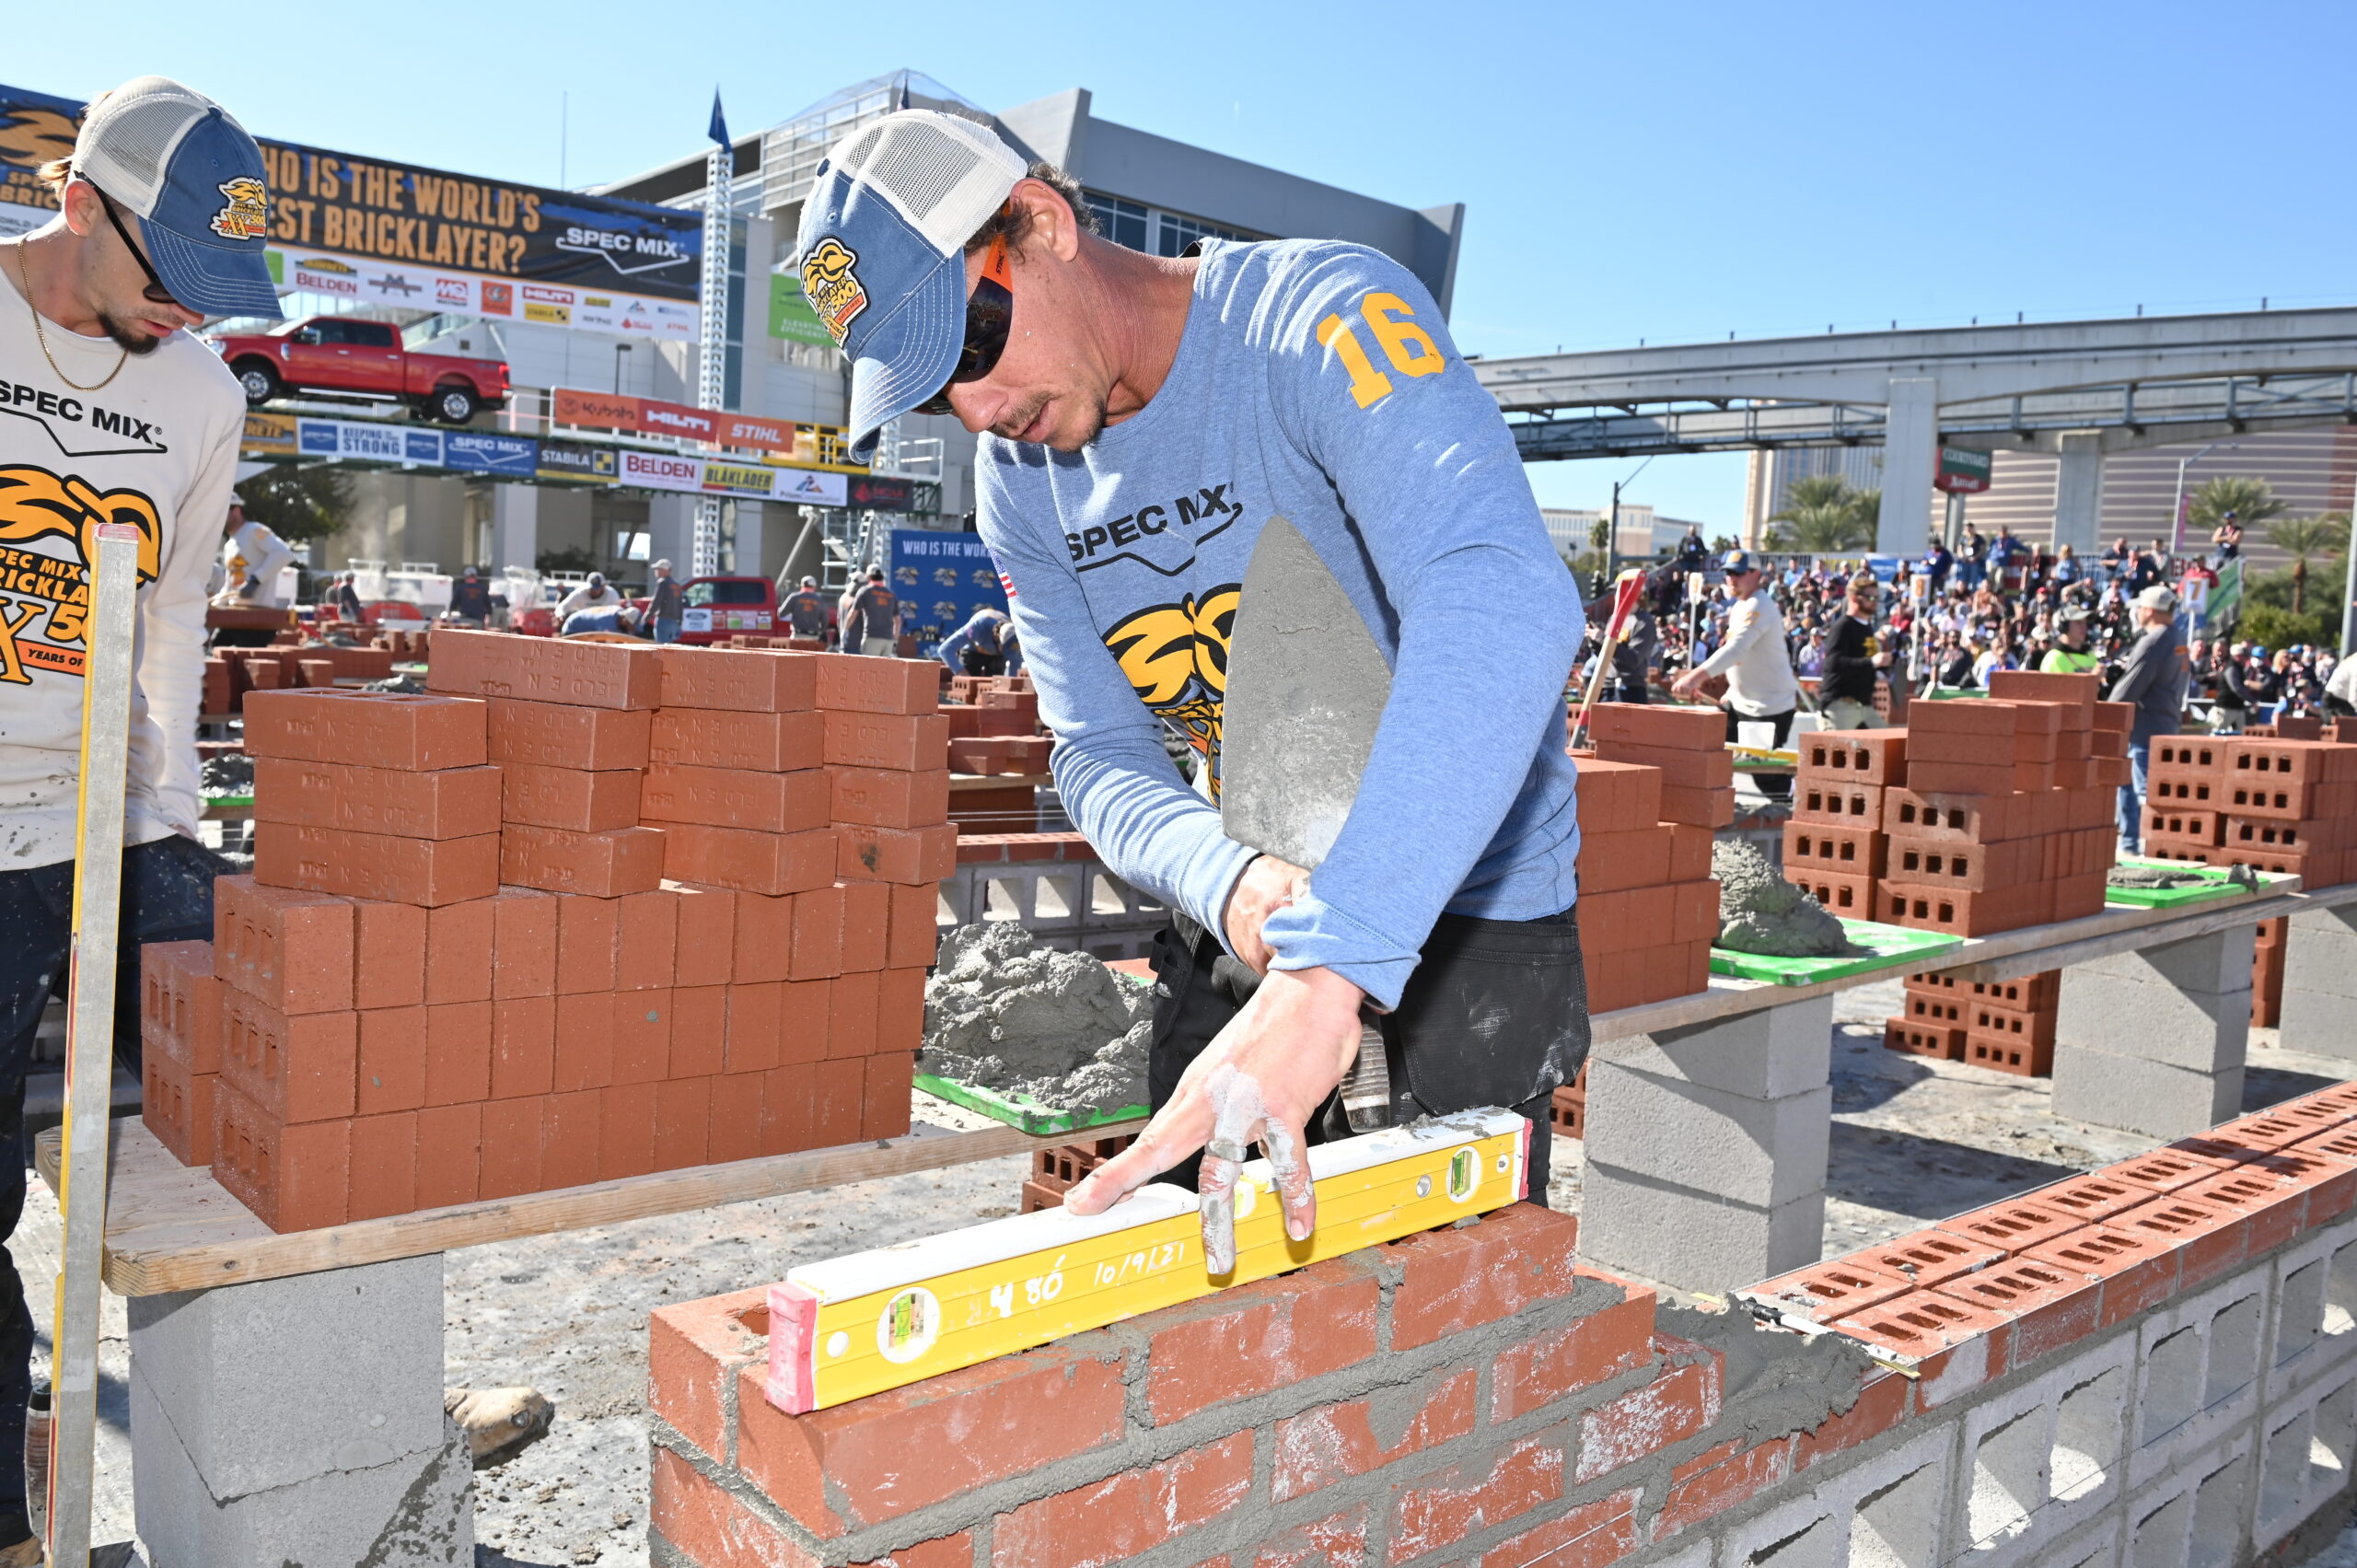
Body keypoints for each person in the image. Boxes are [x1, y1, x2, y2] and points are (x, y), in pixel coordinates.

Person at [792, 109, 1587, 1257]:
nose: (976, 408)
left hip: (1470, 896)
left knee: (1450, 1303)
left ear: (1045, 226)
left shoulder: (1319, 317)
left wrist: (1336, 964)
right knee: (1198, 1282)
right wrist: (1232, 884)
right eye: (930, 393)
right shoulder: (1020, 478)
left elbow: (1498, 594)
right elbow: (1098, 757)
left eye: (969, 345)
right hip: (1254, 893)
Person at [0, 75, 281, 1564]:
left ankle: (316, 1417)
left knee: (256, 1124)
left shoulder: (203, 392)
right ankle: (11, 1514)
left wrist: (166, 826)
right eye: (167, 280)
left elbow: (171, 622)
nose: (191, 315)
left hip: (113, 803)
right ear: (79, 204)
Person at [1671, 550, 1800, 796]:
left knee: (1766, 777)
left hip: (1769, 707)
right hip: (1741, 703)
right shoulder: (1741, 606)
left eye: (1738, 573)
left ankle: (1794, 809)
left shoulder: (1759, 604)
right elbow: (1742, 657)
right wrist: (1731, 691)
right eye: (1728, 573)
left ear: (1756, 575)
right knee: (1710, 751)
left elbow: (1737, 650)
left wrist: (1695, 677)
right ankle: (1717, 809)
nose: (1731, 578)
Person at [2109, 585, 2190, 854]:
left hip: (2145, 730)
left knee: (2146, 793)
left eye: (2141, 607)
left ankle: (2146, 849)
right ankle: (2131, 844)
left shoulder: (2154, 640)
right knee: (2131, 788)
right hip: (2166, 723)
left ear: (2150, 610)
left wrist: (2104, 714)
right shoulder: (2178, 638)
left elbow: (2129, 689)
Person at [1817, 575, 1888, 730]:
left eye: (1877, 597)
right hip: (1840, 705)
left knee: (1888, 747)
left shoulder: (1867, 627)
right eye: (1871, 597)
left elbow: (1864, 664)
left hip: (1864, 706)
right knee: (1840, 753)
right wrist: (1872, 662)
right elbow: (1833, 663)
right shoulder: (1842, 626)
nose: (1875, 601)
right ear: (1855, 599)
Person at [219, 499, 296, 607]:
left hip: (259, 611)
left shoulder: (254, 530)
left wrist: (255, 580)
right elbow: (229, 584)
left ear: (236, 511)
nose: (218, 517)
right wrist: (215, 602)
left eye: (222, 512)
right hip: (235, 610)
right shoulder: (229, 545)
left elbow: (284, 554)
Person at [937, 604, 1020, 677]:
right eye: (1004, 649)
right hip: (973, 651)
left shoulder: (1014, 633)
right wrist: (960, 671)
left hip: (996, 658)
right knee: (969, 680)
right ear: (997, 638)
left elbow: (1014, 665)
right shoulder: (976, 627)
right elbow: (945, 649)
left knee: (996, 682)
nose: (1005, 652)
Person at [842, 565, 900, 656]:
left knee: (869, 668)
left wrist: (845, 630)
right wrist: (895, 640)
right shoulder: (891, 594)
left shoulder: (865, 591)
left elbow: (853, 613)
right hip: (888, 640)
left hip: (872, 638)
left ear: (868, 576)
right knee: (885, 669)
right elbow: (898, 621)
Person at [2041, 608, 2100, 674]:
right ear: (2064, 626)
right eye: (2078, 622)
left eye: (2085, 623)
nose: (2084, 627)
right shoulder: (2053, 658)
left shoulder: (2091, 656)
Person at [555, 571, 621, 623]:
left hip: (604, 626)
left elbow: (617, 614)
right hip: (585, 625)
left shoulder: (612, 594)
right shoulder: (580, 593)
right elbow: (562, 606)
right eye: (592, 588)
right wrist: (560, 614)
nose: (594, 591)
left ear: (603, 586)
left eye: (597, 589)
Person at [647, 558, 684, 645]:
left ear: (664, 570)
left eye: (658, 569)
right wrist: (680, 621)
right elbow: (680, 604)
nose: (656, 571)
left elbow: (656, 602)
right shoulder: (677, 585)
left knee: (662, 649)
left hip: (663, 621)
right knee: (669, 649)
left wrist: (647, 617)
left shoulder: (662, 583)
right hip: (674, 623)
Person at [781, 575, 828, 639]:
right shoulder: (819, 600)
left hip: (797, 636)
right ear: (814, 587)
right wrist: (820, 632)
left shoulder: (794, 597)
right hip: (813, 637)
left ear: (802, 585)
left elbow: (781, 613)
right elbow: (825, 621)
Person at [447, 564, 492, 628]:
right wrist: (488, 616)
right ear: (476, 576)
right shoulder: (483, 589)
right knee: (477, 637)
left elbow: (454, 602)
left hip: (464, 619)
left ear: (466, 576)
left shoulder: (460, 588)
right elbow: (488, 604)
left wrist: (450, 613)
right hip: (478, 619)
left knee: (464, 637)